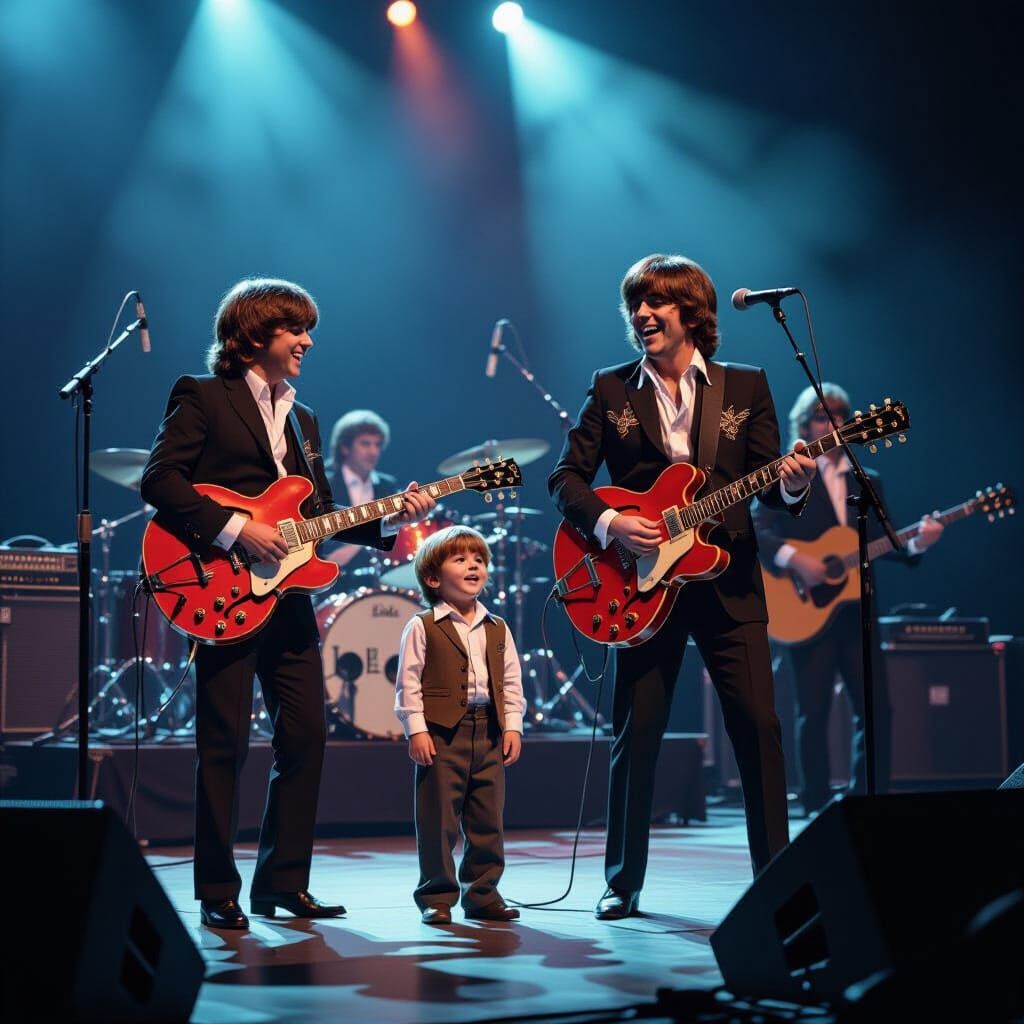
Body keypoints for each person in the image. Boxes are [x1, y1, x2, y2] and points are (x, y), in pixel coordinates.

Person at [140, 277, 435, 930]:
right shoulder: (203, 395)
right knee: (224, 744)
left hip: (290, 598)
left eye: (308, 331)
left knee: (305, 738)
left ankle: (282, 883)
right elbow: (159, 480)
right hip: (222, 589)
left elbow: (320, 516)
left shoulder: (304, 419)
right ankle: (217, 890)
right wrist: (237, 529)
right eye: (295, 329)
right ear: (253, 336)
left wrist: (393, 517)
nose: (307, 342)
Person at [548, 253, 816, 920]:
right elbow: (566, 478)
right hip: (638, 586)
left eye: (655, 302)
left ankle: (777, 882)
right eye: (634, 304)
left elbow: (772, 488)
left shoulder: (745, 386)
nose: (641, 314)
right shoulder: (611, 389)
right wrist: (613, 523)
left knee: (758, 729)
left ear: (691, 313)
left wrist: (794, 481)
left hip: (728, 579)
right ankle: (622, 881)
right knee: (636, 733)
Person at [752, 383, 943, 815]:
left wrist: (919, 542)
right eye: (822, 416)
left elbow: (884, 540)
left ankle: (868, 803)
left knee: (876, 710)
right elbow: (759, 530)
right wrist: (797, 560)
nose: (831, 422)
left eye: (838, 414)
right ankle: (816, 803)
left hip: (857, 610)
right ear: (804, 425)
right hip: (803, 608)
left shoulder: (866, 479)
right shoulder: (788, 472)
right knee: (813, 712)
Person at [394, 525, 526, 925]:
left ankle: (483, 893)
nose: (473, 566)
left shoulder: (497, 626)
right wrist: (417, 730)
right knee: (438, 820)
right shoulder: (422, 626)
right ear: (433, 578)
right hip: (442, 733)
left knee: (487, 818)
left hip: (488, 730)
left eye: (479, 559)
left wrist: (513, 725)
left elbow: (511, 680)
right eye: (461, 559)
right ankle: (436, 896)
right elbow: (408, 682)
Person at [321, 409, 398, 573]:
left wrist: (355, 546)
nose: (374, 452)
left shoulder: (388, 485)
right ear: (344, 447)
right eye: (365, 444)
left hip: (378, 574)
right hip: (333, 575)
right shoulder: (324, 483)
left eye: (377, 445)